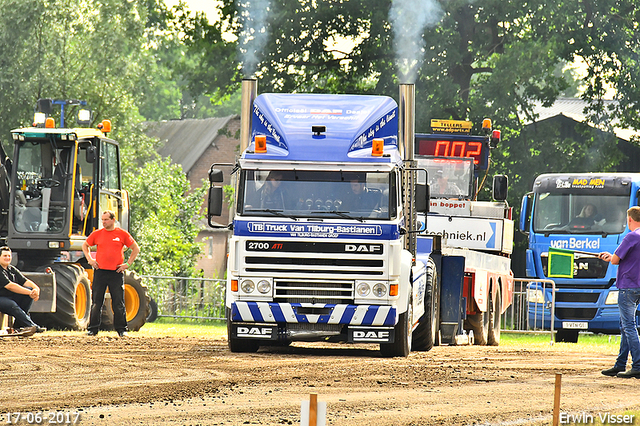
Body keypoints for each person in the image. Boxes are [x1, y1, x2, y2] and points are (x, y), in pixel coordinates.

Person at [82, 210, 139, 337]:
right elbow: (85, 245)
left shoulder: (122, 234)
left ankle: (122, 329)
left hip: (116, 272)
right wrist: (90, 260)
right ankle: (93, 329)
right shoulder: (97, 234)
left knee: (118, 302)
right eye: (102, 220)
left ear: (113, 220)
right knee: (97, 302)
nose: (104, 222)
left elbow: (136, 248)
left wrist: (127, 264)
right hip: (100, 272)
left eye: (106, 219)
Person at [599, 206, 640, 378]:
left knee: (628, 326)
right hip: (638, 285)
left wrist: (610, 257)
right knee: (625, 326)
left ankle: (637, 365)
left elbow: (615, 260)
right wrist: (612, 256)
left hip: (628, 286)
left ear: (630, 219)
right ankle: (620, 364)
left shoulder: (631, 236)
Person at [0, 246, 45, 335]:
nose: (7, 258)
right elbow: (10, 286)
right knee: (12, 305)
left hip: (9, 296)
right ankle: (31, 326)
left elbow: (25, 281)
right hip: (1, 297)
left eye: (9, 256)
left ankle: (19, 326)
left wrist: (36, 289)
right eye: (5, 256)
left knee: (27, 292)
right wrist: (30, 292)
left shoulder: (11, 269)